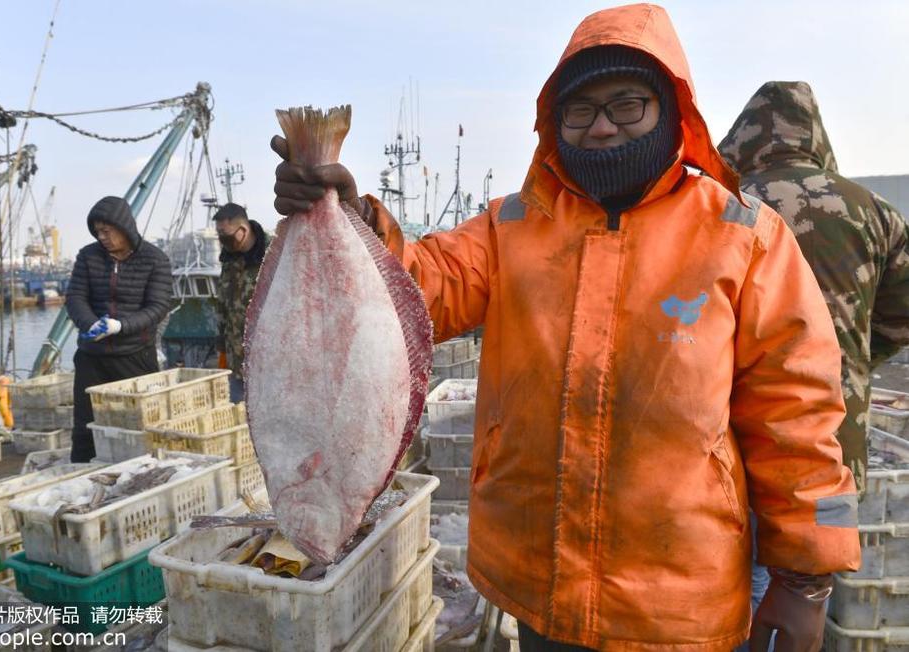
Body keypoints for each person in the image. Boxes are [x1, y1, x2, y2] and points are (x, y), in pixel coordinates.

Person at [272, 4, 861, 650]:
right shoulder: (508, 227)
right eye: (580, 110)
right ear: (555, 123)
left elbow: (798, 416)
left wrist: (804, 581)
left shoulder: (745, 238)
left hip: (679, 604)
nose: (603, 127)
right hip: (535, 584)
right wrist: (349, 219)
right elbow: (418, 290)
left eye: (628, 104)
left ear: (671, 109)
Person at [720, 81, 909, 495]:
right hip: (836, 436)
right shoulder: (875, 211)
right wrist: (848, 361)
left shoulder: (723, 205)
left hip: (736, 436)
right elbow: (902, 316)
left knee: (734, 548)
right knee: (828, 543)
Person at [65, 196, 173, 462]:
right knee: (85, 426)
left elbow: (158, 307)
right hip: (93, 357)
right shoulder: (88, 256)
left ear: (123, 227)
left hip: (135, 355)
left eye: (106, 231)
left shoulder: (155, 259)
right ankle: (80, 472)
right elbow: (75, 298)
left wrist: (120, 326)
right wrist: (90, 324)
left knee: (142, 425)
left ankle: (146, 471)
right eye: (97, 232)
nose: (101, 237)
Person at [213, 202, 268, 401]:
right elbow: (223, 305)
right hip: (236, 364)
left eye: (226, 236)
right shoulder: (228, 260)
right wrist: (221, 347)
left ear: (243, 230)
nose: (222, 241)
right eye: (219, 236)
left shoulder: (272, 256)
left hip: (268, 363)